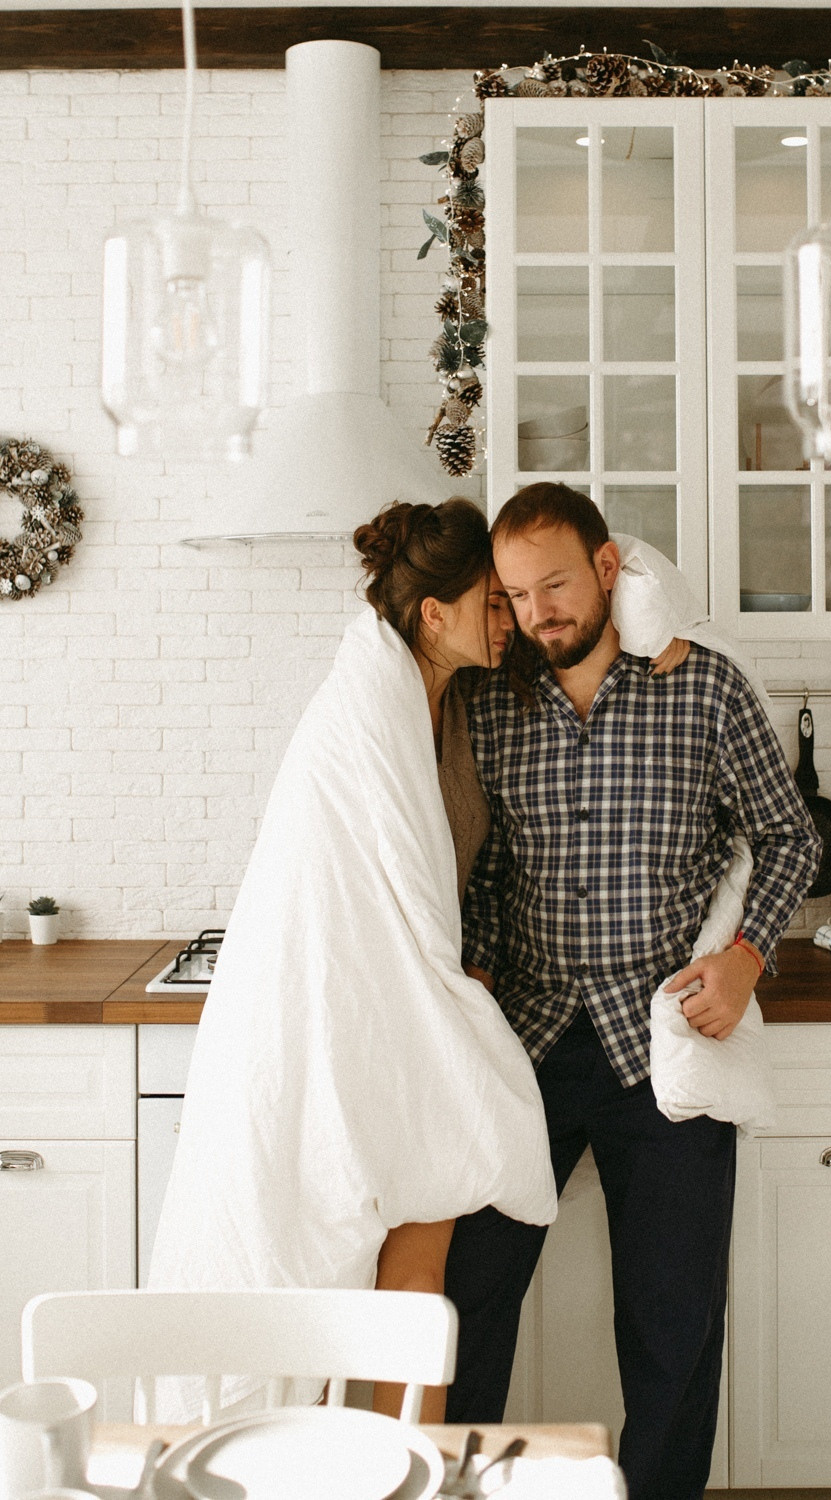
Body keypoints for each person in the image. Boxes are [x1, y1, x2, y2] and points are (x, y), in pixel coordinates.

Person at [444, 483, 822, 1500]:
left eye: (556, 584)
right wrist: (473, 959)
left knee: (672, 1327)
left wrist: (745, 959)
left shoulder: (706, 690)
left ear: (608, 567)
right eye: (516, 595)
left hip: (660, 1046)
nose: (538, 615)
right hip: (516, 1045)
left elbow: (791, 836)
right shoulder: (487, 699)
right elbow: (479, 866)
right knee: (465, 1302)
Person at [147, 497, 558, 1421]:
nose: (511, 619)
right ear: (433, 613)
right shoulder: (365, 705)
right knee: (344, 1244)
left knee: (420, 1244)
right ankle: (331, 1461)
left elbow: (626, 584)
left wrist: (676, 644)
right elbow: (370, 885)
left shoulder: (451, 689)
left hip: (400, 1003)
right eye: (493, 602)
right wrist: (446, 992)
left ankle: (391, 1468)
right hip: (336, 1001)